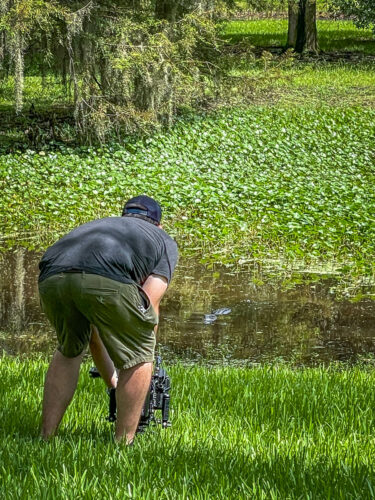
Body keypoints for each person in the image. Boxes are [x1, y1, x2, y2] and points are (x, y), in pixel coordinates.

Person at [38, 195, 178, 444]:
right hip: (103, 278)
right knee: (139, 354)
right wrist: (144, 351)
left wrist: (113, 381)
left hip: (52, 277)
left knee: (69, 350)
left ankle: (46, 437)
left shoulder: (102, 225)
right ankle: (123, 444)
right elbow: (149, 302)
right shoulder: (163, 240)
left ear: (125, 216)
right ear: (159, 224)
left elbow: (94, 338)